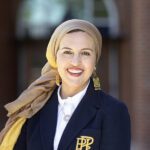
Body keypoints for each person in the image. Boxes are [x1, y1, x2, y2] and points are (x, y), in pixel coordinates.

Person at [0, 19, 131, 150]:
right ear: (55, 57)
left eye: (85, 53)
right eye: (67, 52)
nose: (75, 62)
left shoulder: (114, 111)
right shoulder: (33, 108)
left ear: (95, 60)